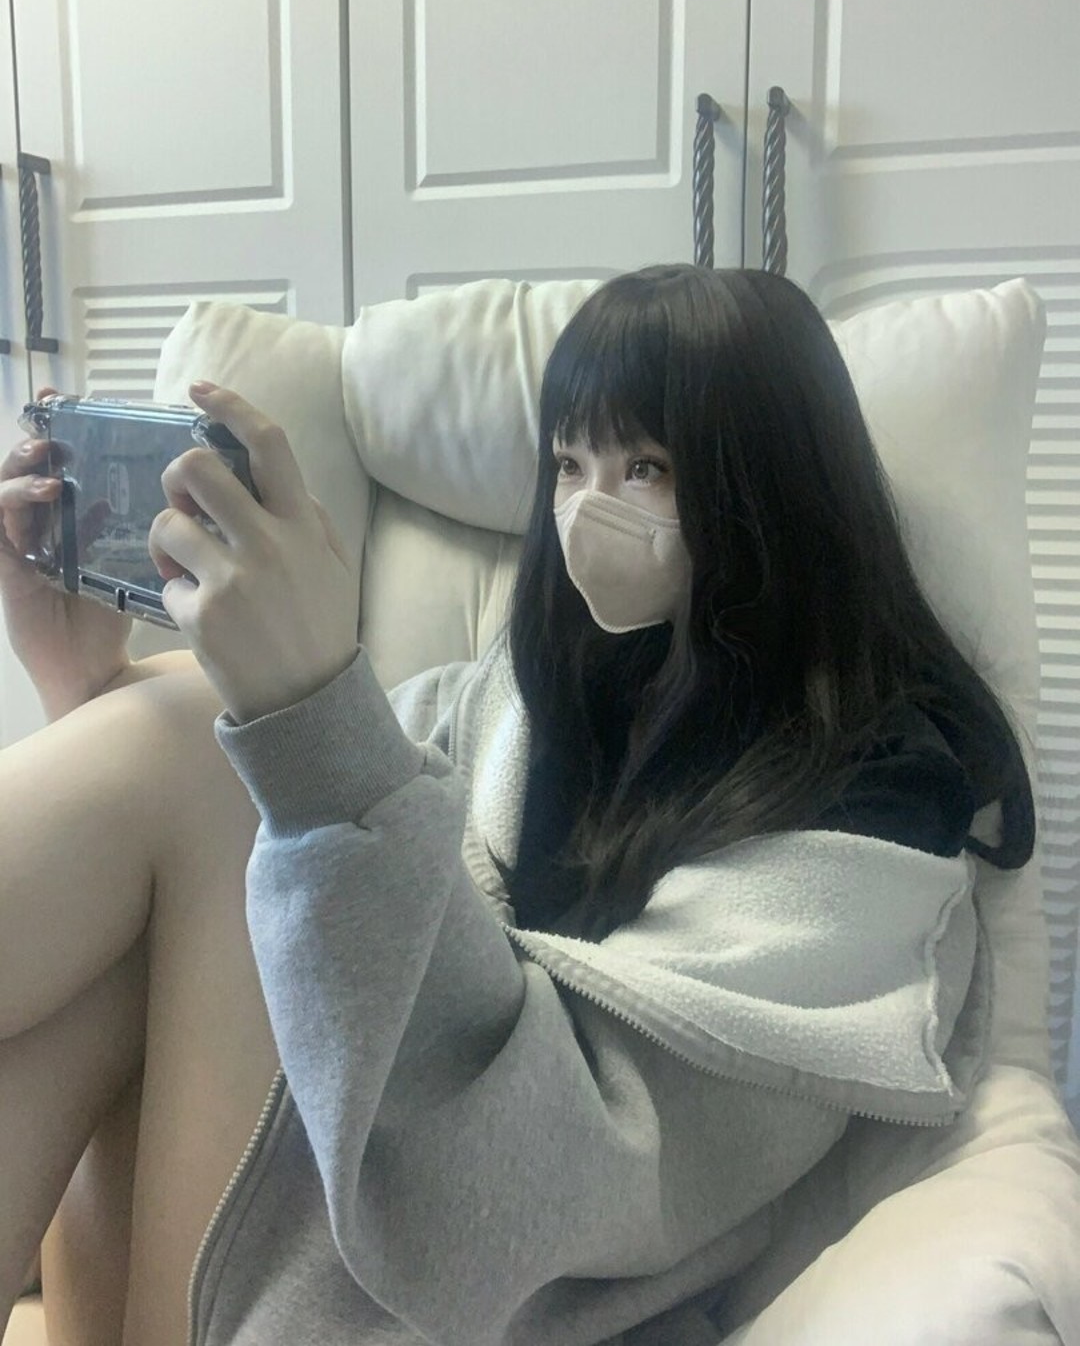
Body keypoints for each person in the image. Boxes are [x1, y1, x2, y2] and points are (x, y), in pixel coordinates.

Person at [0, 265, 1034, 1346]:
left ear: (768, 486)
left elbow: (538, 1191)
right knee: (188, 726)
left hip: (463, 1282)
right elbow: (275, 835)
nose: (589, 506)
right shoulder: (544, 689)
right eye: (569, 462)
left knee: (202, 732)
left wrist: (306, 712)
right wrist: (82, 685)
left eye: (646, 467)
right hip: (334, 1220)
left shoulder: (874, 821)